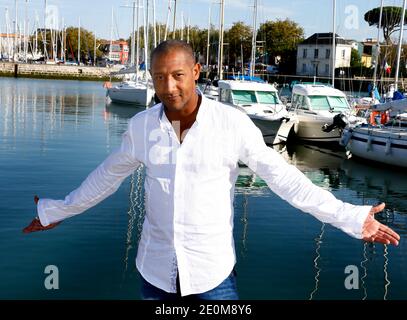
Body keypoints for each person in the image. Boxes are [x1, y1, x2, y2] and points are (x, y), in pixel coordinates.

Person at [23, 40, 400, 300]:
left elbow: (284, 179)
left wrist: (349, 217)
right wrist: (57, 210)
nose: (167, 87)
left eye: (177, 75)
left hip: (212, 275)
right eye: (158, 77)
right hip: (155, 273)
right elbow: (106, 177)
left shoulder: (231, 124)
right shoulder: (141, 127)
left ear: (197, 71)